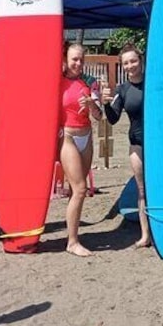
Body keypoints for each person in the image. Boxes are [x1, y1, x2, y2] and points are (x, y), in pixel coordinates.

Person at [101, 44, 151, 248]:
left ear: (141, 60)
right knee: (142, 191)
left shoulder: (153, 83)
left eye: (133, 61)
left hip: (158, 144)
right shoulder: (122, 89)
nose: (130, 65)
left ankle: (161, 230)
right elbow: (112, 119)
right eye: (126, 63)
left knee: (159, 187)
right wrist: (105, 103)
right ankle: (145, 234)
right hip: (137, 144)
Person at [59, 43, 103, 257]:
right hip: (67, 136)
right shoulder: (56, 80)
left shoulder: (91, 82)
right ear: (66, 59)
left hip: (86, 135)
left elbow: (98, 115)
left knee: (76, 191)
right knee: (80, 188)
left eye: (81, 60)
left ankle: (72, 235)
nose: (78, 63)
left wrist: (92, 105)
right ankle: (72, 242)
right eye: (74, 59)